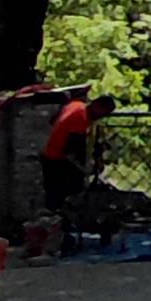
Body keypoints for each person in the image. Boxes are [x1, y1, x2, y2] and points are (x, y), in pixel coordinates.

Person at [39, 91, 112, 225]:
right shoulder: (81, 119)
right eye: (102, 112)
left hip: (49, 155)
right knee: (68, 198)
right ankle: (65, 227)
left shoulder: (76, 105)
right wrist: (85, 169)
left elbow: (53, 120)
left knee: (53, 201)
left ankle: (55, 227)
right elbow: (70, 151)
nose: (100, 116)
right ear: (96, 104)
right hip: (58, 160)